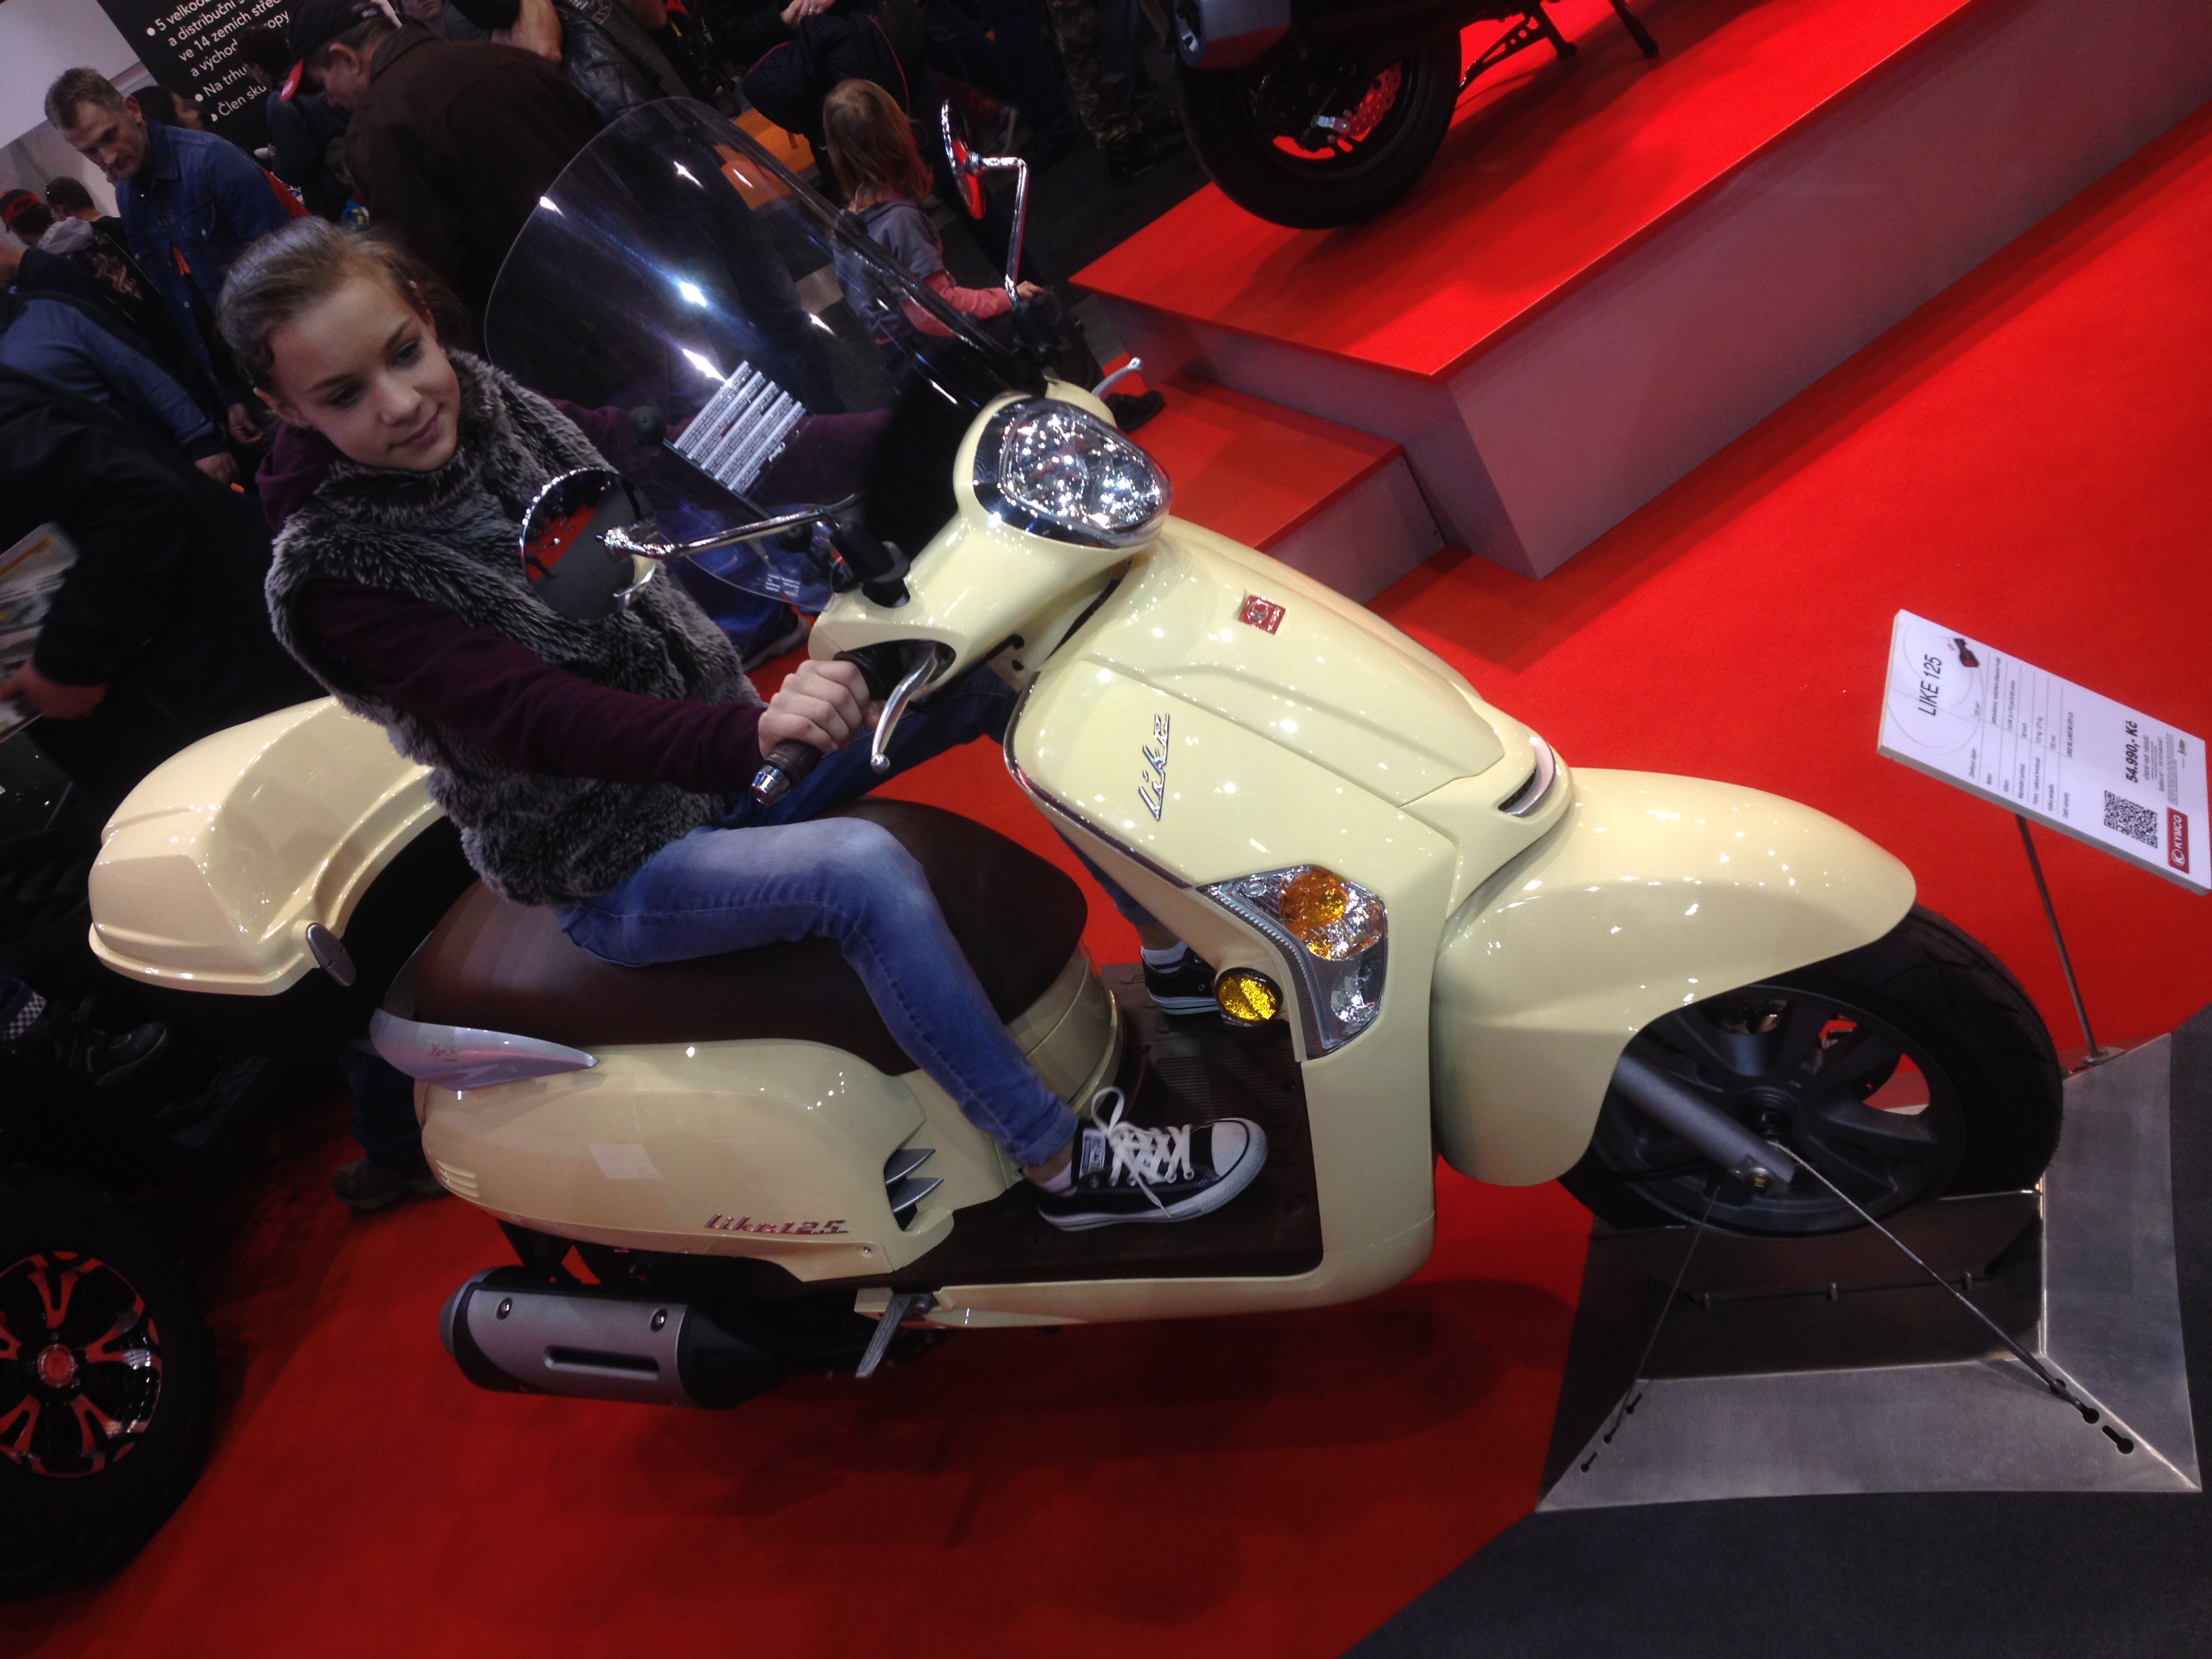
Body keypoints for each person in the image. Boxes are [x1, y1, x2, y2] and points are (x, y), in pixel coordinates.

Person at [220, 218, 1264, 1229]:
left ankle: (1171, 959)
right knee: (860, 874)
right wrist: (743, 738)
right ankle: (1060, 1162)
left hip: (728, 762)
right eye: (345, 394)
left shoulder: (498, 407)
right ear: (282, 407)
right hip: (614, 857)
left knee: (992, 670)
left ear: (422, 310)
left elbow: (708, 459)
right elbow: (533, 716)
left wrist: (956, 424)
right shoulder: (339, 574)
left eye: (406, 351)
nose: (402, 401)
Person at [821, 78, 1162, 428]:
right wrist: (1008, 296)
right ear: (897, 135)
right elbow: (936, 313)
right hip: (939, 354)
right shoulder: (900, 222)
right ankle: (1106, 412)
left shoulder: (844, 225)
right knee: (1042, 307)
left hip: (904, 363)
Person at [279, 0, 604, 325]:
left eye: (322, 84)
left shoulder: (378, 133)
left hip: (550, 325)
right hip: (618, 269)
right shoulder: (504, 58)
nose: (329, 100)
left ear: (345, 58)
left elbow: (434, 278)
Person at [45, 68, 295, 454]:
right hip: (248, 378)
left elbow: (293, 274)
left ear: (132, 109)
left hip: (293, 361)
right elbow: (185, 307)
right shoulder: (129, 198)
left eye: (108, 136)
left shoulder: (211, 160)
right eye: (90, 152)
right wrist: (230, 395)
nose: (107, 158)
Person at [0, 237, 237, 481]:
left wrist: (201, 441)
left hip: (145, 470)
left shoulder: (50, 311)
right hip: (71, 493)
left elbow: (137, 368)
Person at [238, 26, 355, 222]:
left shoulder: (280, 102)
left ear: (257, 67)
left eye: (250, 72)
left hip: (340, 199)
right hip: (368, 171)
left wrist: (276, 159)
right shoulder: (316, 72)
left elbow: (296, 167)